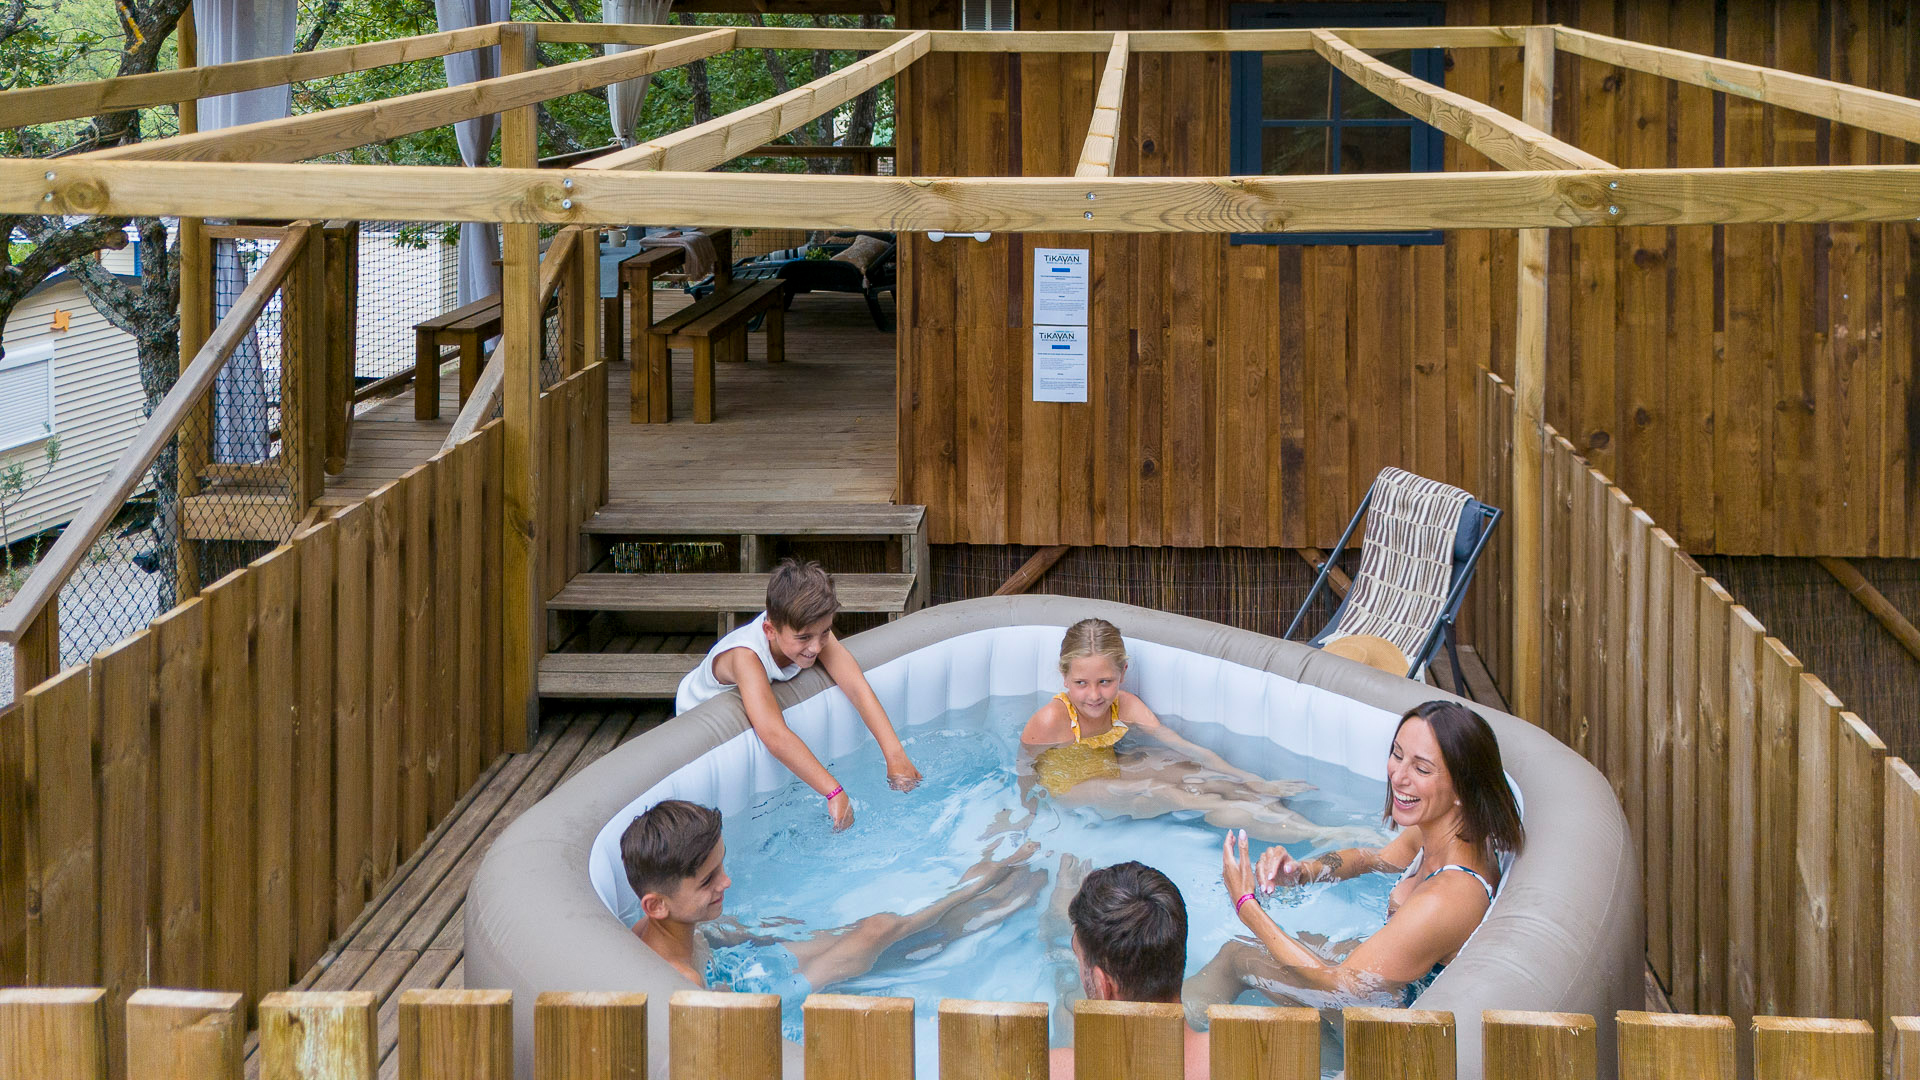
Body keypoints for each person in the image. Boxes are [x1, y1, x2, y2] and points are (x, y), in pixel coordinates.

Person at [1186, 700, 1524, 1008]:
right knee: (1260, 945)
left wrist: (1246, 905)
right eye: (1397, 754)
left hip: (1381, 1027)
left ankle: (1178, 1035)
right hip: (1387, 982)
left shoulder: (1447, 897)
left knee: (1238, 954)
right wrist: (1301, 871)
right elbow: (1369, 859)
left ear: (1463, 789)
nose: (1398, 776)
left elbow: (1341, 987)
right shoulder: (1446, 830)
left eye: (1421, 769)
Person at [622, 799, 1044, 1038]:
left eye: (721, 866)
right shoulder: (684, 981)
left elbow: (714, 938)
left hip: (740, 967)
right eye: (708, 880)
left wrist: (755, 932)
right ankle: (973, 889)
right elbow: (735, 1035)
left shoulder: (663, 926)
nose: (726, 882)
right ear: (656, 905)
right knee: (877, 934)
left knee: (874, 935)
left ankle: (977, 903)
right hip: (762, 1000)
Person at [1018, 618, 1376, 846]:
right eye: (1081, 683)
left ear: (1122, 673)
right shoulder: (1051, 720)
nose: (1094, 695)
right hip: (1069, 788)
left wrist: (1252, 780)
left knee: (1193, 772)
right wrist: (1029, 814)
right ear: (1064, 677)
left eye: (1104, 681)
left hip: (1107, 771)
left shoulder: (1124, 706)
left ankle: (1280, 814)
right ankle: (1315, 834)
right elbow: (1025, 768)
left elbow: (1185, 747)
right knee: (1162, 789)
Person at [676, 559, 921, 830]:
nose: (816, 647)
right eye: (804, 638)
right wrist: (834, 791)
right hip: (696, 719)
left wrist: (894, 755)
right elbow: (774, 734)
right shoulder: (745, 656)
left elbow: (856, 687)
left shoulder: (810, 629)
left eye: (825, 632)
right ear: (770, 630)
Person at [1049, 861, 1208, 1080]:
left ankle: (1056, 930)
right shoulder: (1233, 1057)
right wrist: (1247, 907)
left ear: (1102, 985)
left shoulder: (1057, 1070)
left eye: (1077, 955)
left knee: (1067, 1006)